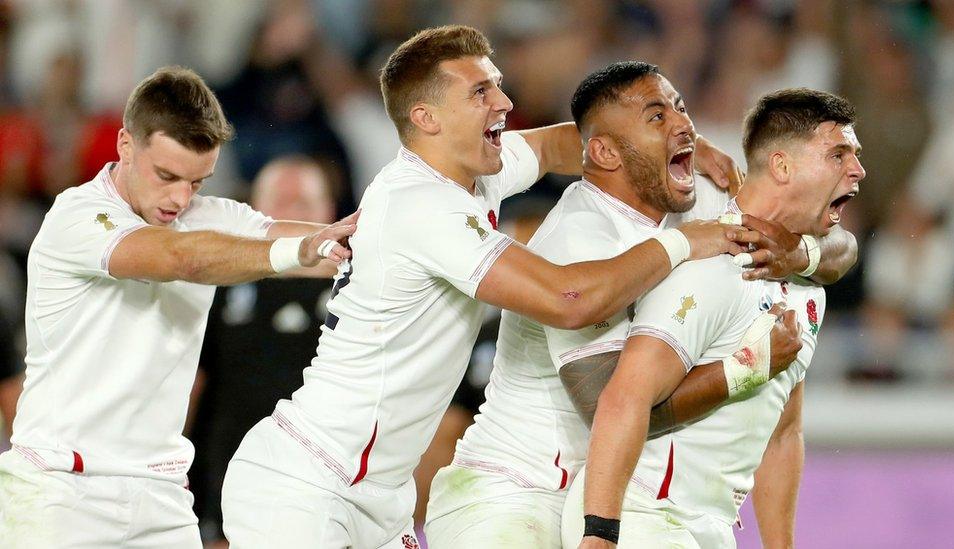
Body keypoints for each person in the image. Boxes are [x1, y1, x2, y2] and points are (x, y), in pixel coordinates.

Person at [220, 25, 765, 549]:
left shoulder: (475, 172)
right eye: (481, 91)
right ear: (425, 117)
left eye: (498, 84)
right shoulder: (420, 203)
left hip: (378, 497)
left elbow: (560, 146)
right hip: (308, 481)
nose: (504, 102)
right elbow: (567, 299)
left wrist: (680, 142)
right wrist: (684, 243)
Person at [424, 62, 856, 548]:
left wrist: (799, 254)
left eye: (682, 108)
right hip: (511, 494)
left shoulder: (693, 203)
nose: (683, 124)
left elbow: (829, 238)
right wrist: (746, 369)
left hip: (595, 496)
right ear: (607, 153)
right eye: (656, 116)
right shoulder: (581, 237)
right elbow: (611, 403)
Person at [0, 66, 357, 548]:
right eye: (166, 175)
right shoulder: (76, 217)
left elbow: (319, 245)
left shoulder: (209, 217)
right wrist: (302, 250)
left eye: (197, 182)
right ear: (126, 144)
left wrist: (392, 239)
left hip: (163, 498)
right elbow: (180, 258)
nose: (179, 199)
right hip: (62, 492)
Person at [566, 87, 865, 548]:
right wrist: (600, 534)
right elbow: (624, 396)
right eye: (838, 153)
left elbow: (781, 435)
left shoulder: (808, 286)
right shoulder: (711, 264)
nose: (857, 170)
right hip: (644, 515)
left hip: (708, 527)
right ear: (782, 166)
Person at [188, 155, 339, 547]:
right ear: (254, 214)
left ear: (328, 213)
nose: (292, 213)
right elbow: (190, 380)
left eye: (304, 204)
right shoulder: (214, 287)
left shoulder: (359, 291)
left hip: (326, 477)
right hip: (227, 475)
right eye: (279, 202)